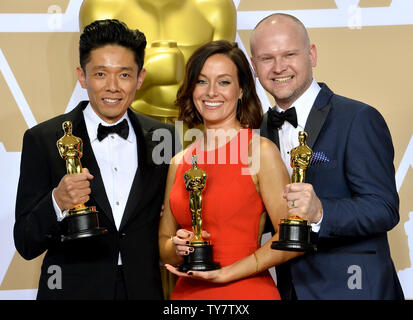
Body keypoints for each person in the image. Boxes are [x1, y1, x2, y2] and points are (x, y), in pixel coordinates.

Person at [14, 19, 178, 300]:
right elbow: (26, 242)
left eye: (124, 75)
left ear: (140, 78)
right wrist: (57, 202)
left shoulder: (166, 137)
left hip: (143, 290)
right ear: (82, 76)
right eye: (100, 74)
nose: (112, 87)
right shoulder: (43, 139)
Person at [250, 13, 404, 299]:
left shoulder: (358, 118)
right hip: (286, 290)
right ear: (254, 67)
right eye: (266, 58)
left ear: (312, 55)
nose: (278, 67)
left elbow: (383, 208)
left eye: (289, 54)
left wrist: (320, 212)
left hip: (355, 291)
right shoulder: (255, 134)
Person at [158, 40, 301, 300]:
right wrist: (177, 246)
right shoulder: (180, 161)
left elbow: (292, 239)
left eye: (224, 82)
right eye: (202, 81)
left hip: (246, 292)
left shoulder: (259, 151)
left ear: (242, 90)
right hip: (187, 296)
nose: (211, 92)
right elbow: (164, 243)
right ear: (191, 89)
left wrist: (227, 273)